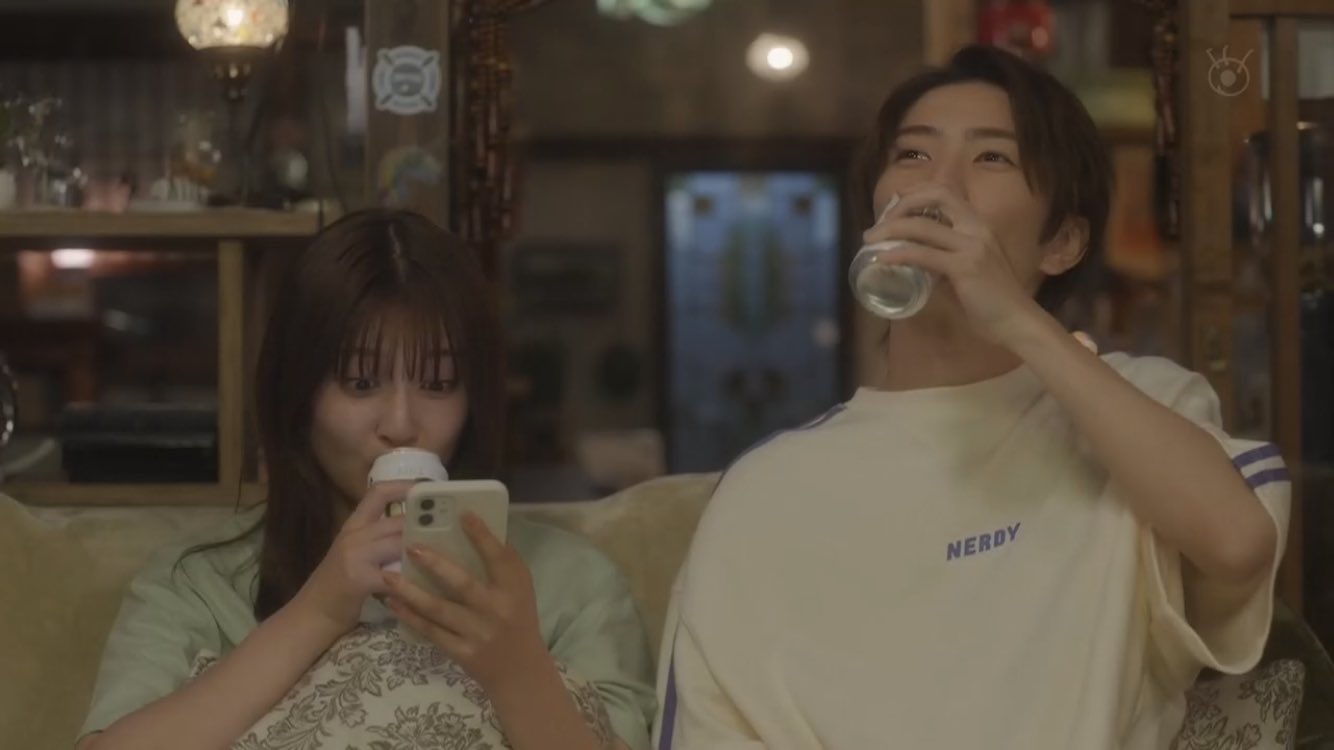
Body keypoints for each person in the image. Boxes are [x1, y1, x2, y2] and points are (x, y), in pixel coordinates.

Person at [652, 44, 1289, 749]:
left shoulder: (1137, 407)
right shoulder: (768, 487)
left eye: (992, 158)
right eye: (913, 155)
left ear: (1063, 242)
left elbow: (1237, 544)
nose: (939, 186)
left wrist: (1016, 318)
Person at [78, 209, 656, 750]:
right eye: (360, 383)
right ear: (298, 396)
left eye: (439, 384)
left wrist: (516, 672)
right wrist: (319, 612)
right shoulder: (199, 586)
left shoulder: (572, 585)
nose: (401, 424)